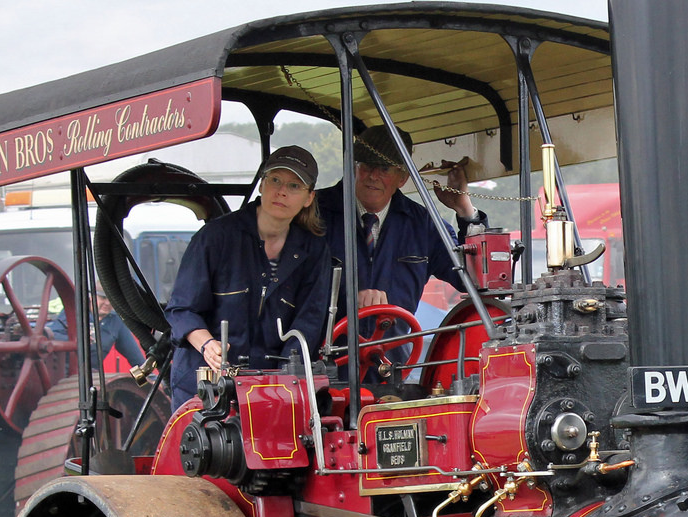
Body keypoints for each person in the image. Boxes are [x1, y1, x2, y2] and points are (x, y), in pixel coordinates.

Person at [163, 145, 333, 411]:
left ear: (309, 198)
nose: (282, 191)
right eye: (275, 180)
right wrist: (208, 344)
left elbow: (308, 324)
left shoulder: (313, 251)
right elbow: (181, 309)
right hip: (204, 384)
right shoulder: (216, 237)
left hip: (271, 388)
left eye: (294, 186)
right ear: (262, 186)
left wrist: (284, 383)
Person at [316, 127, 485, 321]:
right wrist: (348, 300)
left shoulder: (424, 226)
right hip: (325, 348)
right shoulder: (315, 214)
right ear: (353, 168)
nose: (373, 176)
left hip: (394, 349)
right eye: (367, 165)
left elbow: (475, 280)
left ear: (402, 178)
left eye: (384, 168)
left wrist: (465, 211)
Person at [48, 288, 145, 367]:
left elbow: (136, 358)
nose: (107, 303)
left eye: (111, 299)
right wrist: (78, 341)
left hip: (93, 378)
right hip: (64, 374)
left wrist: (150, 379)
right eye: (103, 297)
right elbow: (52, 337)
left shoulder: (116, 322)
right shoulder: (73, 313)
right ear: (91, 297)